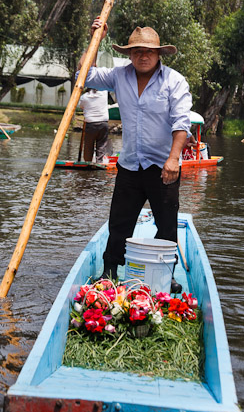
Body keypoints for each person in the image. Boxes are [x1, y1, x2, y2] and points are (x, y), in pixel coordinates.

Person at [77, 18, 192, 292]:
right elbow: (84, 75)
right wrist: (95, 38)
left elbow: (181, 124)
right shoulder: (119, 76)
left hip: (164, 165)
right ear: (129, 54)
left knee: (166, 225)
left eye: (148, 51)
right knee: (119, 222)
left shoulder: (174, 81)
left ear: (158, 54)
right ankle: (109, 271)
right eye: (137, 51)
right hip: (130, 164)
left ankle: (166, 275)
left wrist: (174, 159)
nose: (143, 56)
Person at [78, 88, 109, 162]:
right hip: (103, 123)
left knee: (88, 146)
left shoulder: (84, 97)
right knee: (101, 145)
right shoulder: (104, 92)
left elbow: (81, 106)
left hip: (91, 124)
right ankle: (99, 161)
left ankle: (88, 162)